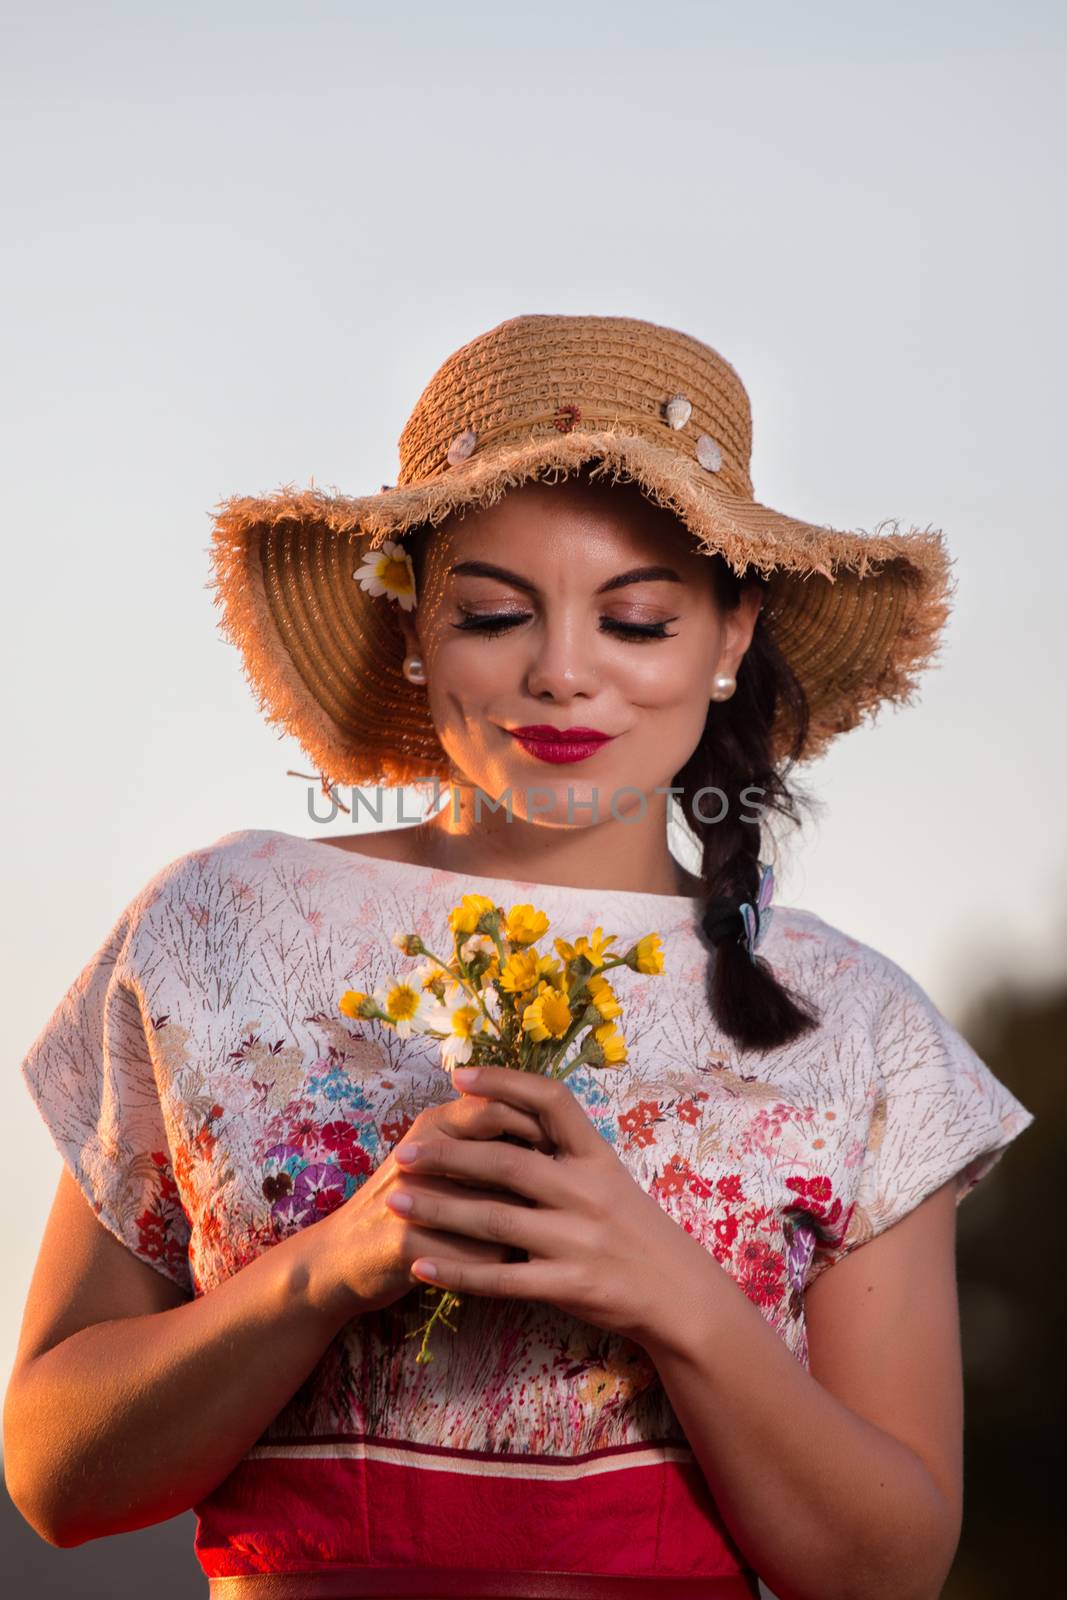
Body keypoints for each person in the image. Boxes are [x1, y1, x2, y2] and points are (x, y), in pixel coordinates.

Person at [6, 313, 1034, 1600]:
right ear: (412, 626)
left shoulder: (857, 1024)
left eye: (638, 622)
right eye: (495, 611)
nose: (560, 672)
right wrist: (326, 1269)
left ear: (727, 640)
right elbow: (55, 1477)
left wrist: (673, 1295)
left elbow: (887, 1572)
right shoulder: (218, 925)